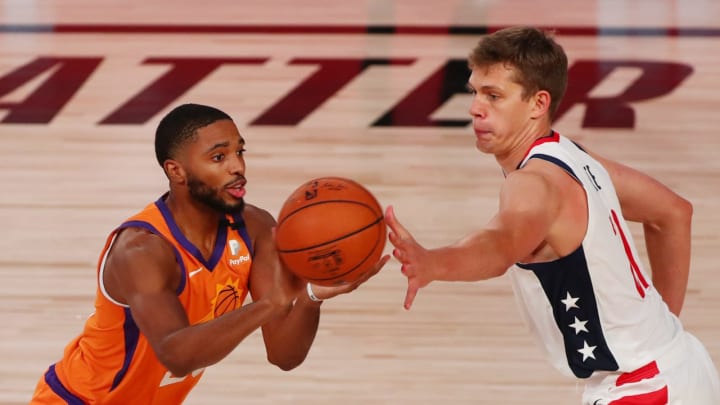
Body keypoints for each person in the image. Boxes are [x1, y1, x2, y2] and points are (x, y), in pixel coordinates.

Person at [385, 26, 720, 404]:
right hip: (680, 365)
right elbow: (673, 212)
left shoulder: (533, 184)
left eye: (494, 96)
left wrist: (432, 263)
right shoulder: (573, 158)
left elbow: (498, 246)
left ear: (538, 103)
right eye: (475, 92)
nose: (475, 107)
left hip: (644, 388)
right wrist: (661, 329)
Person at [31, 103, 389, 404]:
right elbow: (176, 354)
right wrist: (270, 304)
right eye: (218, 157)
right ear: (177, 171)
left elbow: (283, 355)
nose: (237, 167)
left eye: (239, 152)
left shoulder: (256, 228)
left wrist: (311, 298)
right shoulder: (141, 250)